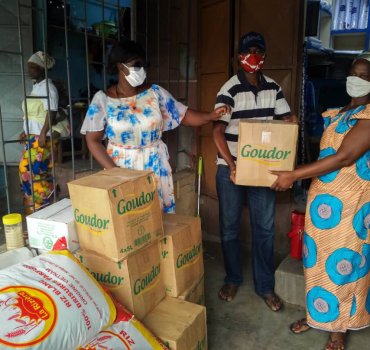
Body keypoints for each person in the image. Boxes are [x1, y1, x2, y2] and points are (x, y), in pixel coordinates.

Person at [270, 54, 370, 349]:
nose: (357, 79)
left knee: (344, 268)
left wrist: (293, 175)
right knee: (317, 265)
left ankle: (339, 329)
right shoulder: (340, 113)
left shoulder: (369, 117)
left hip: (351, 208)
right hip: (325, 209)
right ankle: (318, 317)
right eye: (354, 73)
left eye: (365, 76)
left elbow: (345, 157)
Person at [81, 40, 229, 213]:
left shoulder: (155, 93)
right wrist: (116, 173)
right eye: (136, 65)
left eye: (144, 65)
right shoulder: (103, 100)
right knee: (127, 221)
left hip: (154, 165)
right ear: (119, 66)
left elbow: (183, 115)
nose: (142, 69)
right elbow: (92, 140)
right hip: (120, 167)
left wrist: (211, 116)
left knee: (158, 219)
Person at [213, 32, 295, 310]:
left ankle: (265, 287)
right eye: (248, 51)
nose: (253, 56)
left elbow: (286, 120)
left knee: (265, 229)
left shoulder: (273, 87)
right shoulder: (229, 89)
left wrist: (290, 124)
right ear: (239, 56)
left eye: (258, 51)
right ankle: (233, 278)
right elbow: (216, 132)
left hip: (263, 169)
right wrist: (233, 166)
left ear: (265, 56)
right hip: (231, 168)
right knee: (229, 228)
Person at [19, 52, 70, 213]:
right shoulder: (36, 88)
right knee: (36, 172)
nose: (30, 70)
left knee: (29, 170)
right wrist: (24, 131)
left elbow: (51, 111)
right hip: (33, 137)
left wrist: (42, 133)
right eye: (29, 67)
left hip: (43, 137)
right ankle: (44, 203)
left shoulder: (48, 87)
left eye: (34, 67)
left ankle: (42, 206)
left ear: (43, 69)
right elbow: (32, 115)